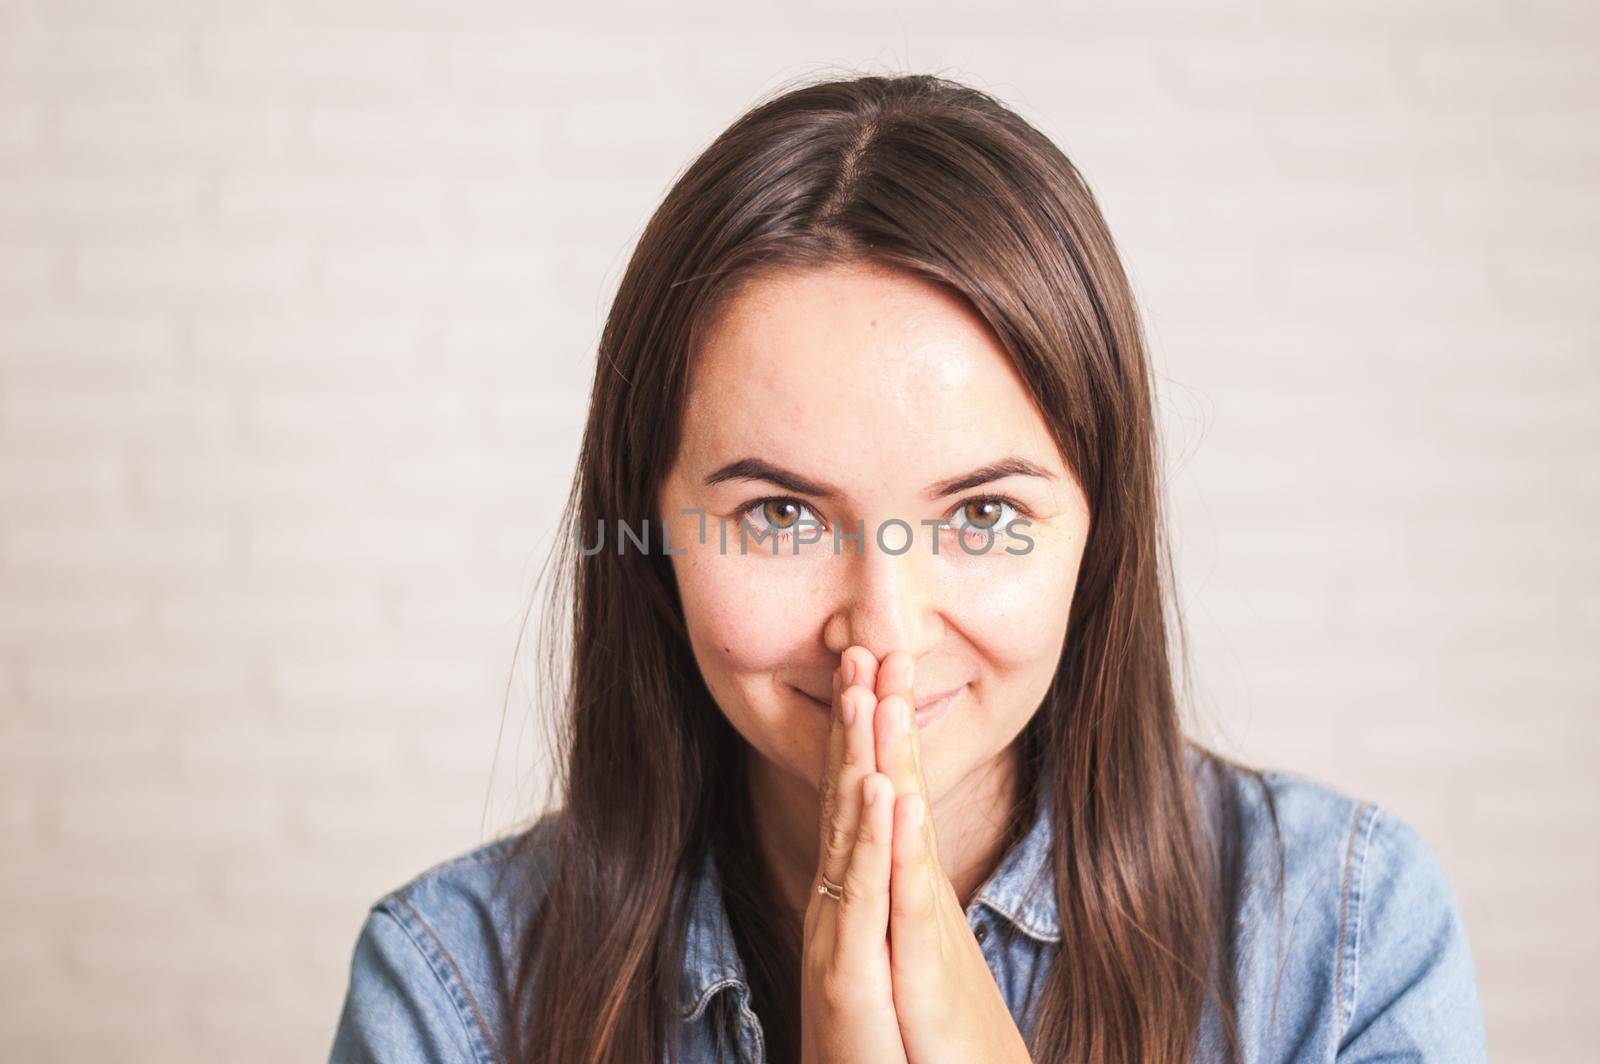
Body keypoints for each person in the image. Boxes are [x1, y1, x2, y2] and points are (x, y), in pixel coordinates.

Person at [328, 72, 1488, 1063]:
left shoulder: (1341, 935)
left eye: (981, 512)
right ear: (654, 527)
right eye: (780, 512)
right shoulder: (453, 987)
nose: (881, 629)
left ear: (1100, 533)